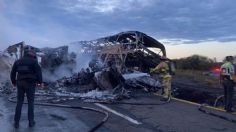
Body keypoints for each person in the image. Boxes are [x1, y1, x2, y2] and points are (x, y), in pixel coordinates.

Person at [10, 46, 43, 128]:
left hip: (20, 83)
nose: (33, 54)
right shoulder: (34, 61)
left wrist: (13, 82)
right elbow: (39, 72)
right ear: (29, 54)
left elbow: (13, 72)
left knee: (19, 102)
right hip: (30, 84)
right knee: (30, 103)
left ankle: (16, 123)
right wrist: (40, 82)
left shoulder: (17, 61)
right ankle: (31, 122)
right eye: (32, 52)